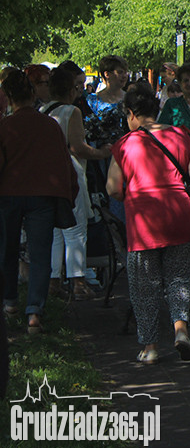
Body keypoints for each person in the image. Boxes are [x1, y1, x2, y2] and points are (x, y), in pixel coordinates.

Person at [107, 84, 190, 363]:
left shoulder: (124, 144)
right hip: (178, 214)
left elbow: (113, 188)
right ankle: (181, 331)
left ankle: (150, 347)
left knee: (144, 285)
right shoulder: (181, 136)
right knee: (178, 278)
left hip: (143, 220)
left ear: (130, 113)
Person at [0, 70, 77, 335]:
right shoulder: (49, 125)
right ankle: (34, 312)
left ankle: (9, 302)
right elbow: (64, 163)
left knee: (7, 250)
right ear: (33, 94)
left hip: (8, 195)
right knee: (41, 254)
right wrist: (70, 193)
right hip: (43, 196)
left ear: (9, 97)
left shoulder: (5, 126)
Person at [42, 67, 112, 300]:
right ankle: (78, 280)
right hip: (71, 173)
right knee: (76, 228)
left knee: (55, 231)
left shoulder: (44, 110)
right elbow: (78, 147)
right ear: (71, 89)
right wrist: (102, 153)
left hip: (49, 175)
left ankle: (54, 280)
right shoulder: (71, 111)